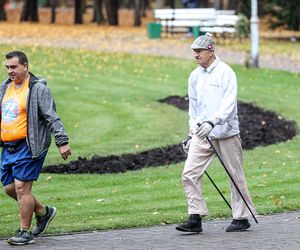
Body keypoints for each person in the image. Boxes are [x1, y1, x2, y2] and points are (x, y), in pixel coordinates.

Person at [176, 33, 256, 233]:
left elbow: (229, 104)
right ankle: (195, 217)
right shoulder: (194, 76)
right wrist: (191, 132)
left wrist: (214, 121)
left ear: (211, 51)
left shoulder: (225, 72)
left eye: (199, 51)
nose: (195, 55)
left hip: (226, 132)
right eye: (194, 51)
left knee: (235, 175)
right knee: (189, 174)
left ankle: (242, 217)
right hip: (202, 134)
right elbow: (193, 108)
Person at [0, 51, 71, 245]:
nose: (10, 71)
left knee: (22, 188)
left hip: (29, 146)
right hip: (8, 147)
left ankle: (25, 231)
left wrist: (62, 141)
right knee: (9, 188)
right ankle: (43, 212)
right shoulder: (4, 88)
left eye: (13, 67)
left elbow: (51, 116)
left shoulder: (38, 89)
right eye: (7, 67)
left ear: (25, 66)